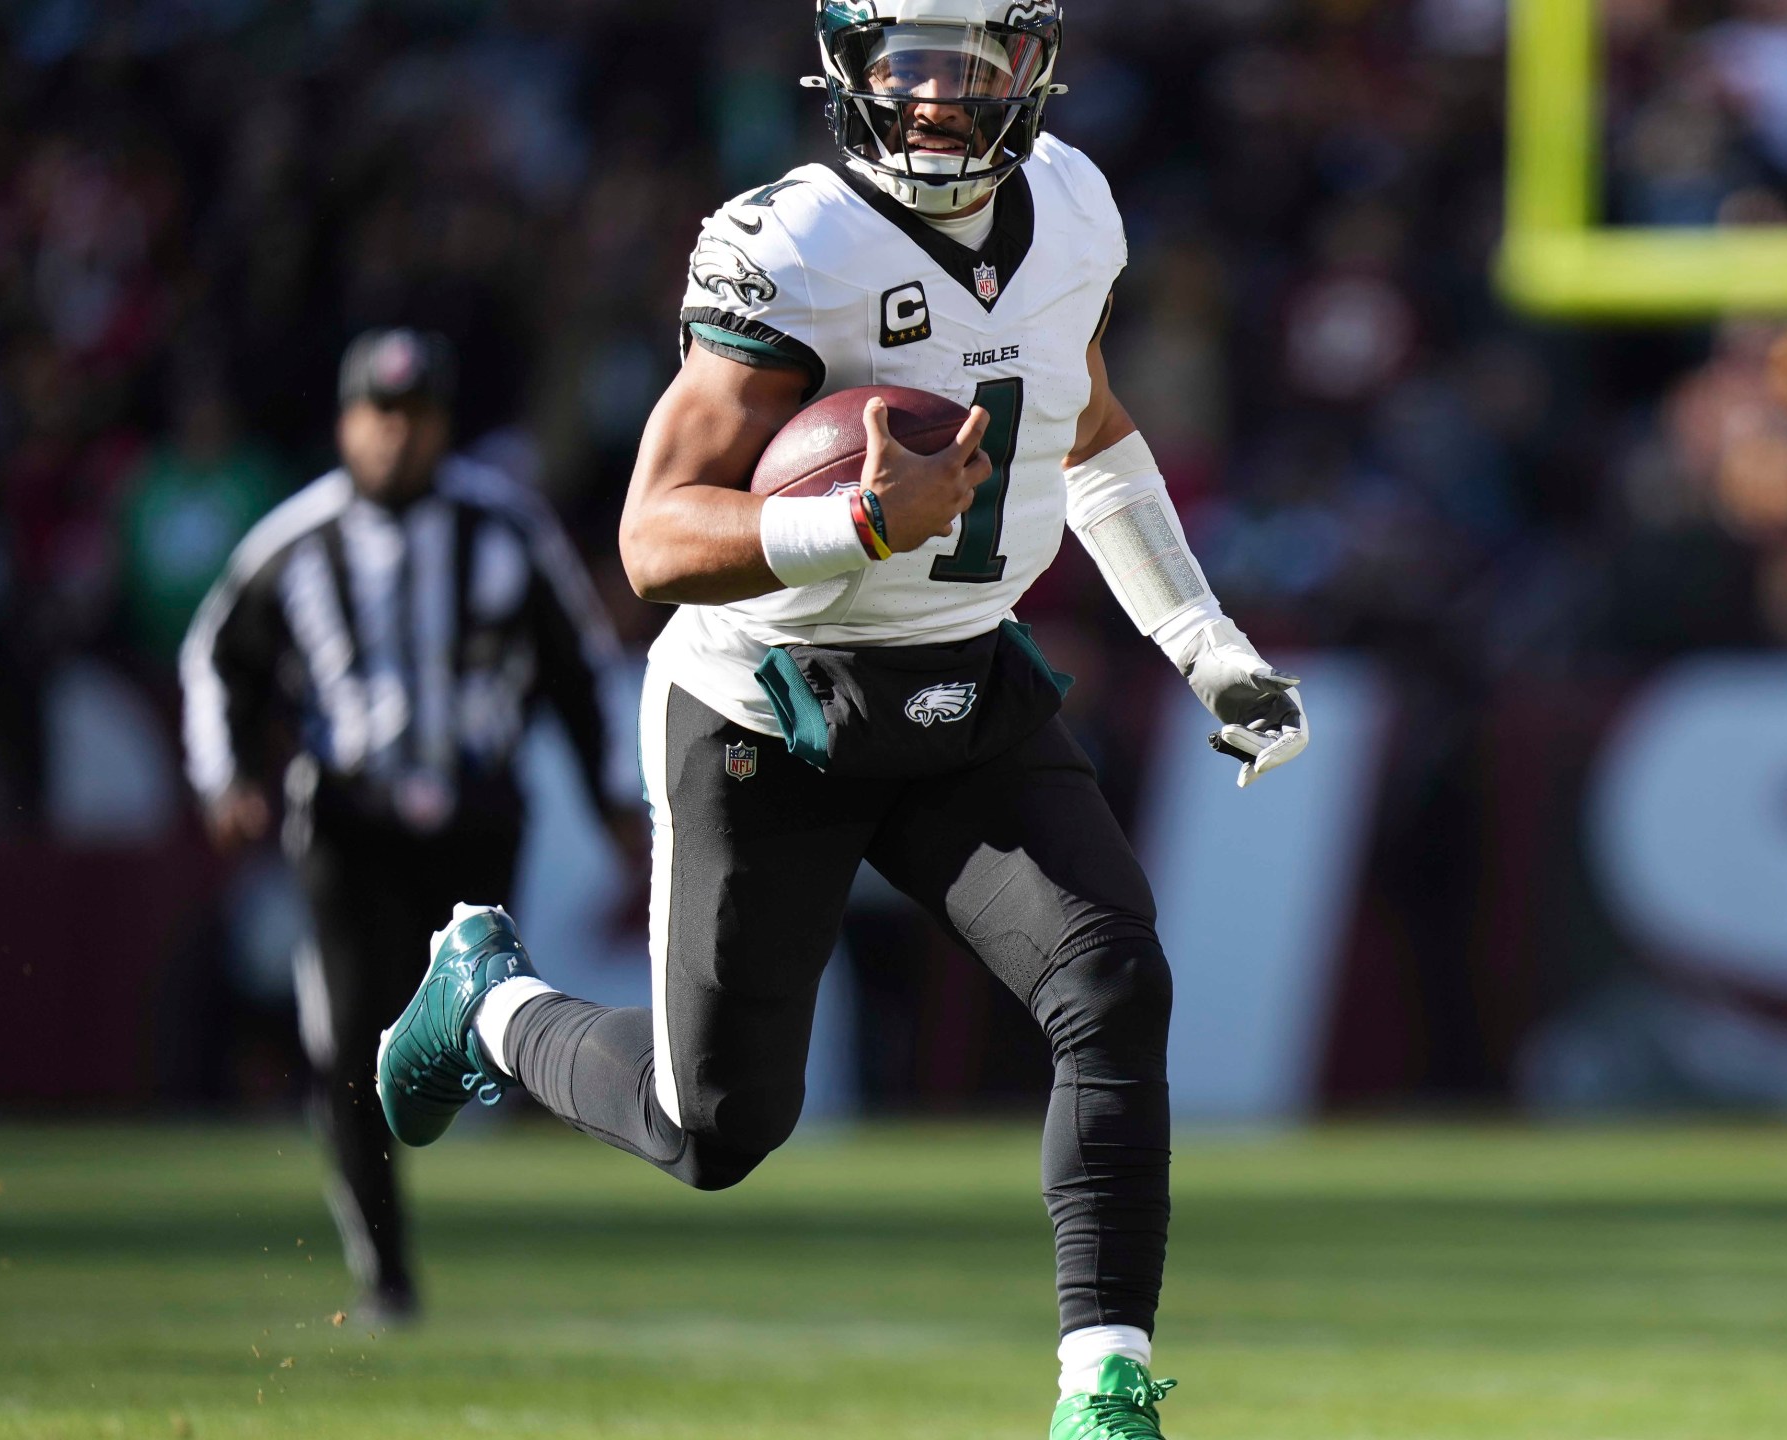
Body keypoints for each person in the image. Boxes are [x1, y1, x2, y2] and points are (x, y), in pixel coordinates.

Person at [375, 5, 1305, 1434]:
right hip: (774, 710)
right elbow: (651, 540)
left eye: (968, 64)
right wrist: (853, 520)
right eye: (905, 66)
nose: (936, 99)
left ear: (1028, 69)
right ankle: (487, 1005)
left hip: (960, 680)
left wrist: (1202, 640)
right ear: (850, 73)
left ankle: (1104, 1390)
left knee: (1113, 980)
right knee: (715, 1130)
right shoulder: (793, 249)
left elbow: (1092, 427)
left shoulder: (1072, 208)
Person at [181, 328, 640, 1324]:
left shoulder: (504, 530)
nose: (398, 436)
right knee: (348, 1036)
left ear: (443, 425)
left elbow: (576, 664)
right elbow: (218, 656)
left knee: (479, 1019)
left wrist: (611, 797)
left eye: (417, 415)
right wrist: (224, 778)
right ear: (347, 423)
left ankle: (525, 1138)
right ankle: (385, 1271)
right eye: (380, 415)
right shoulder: (297, 541)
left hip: (475, 816)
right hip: (347, 818)